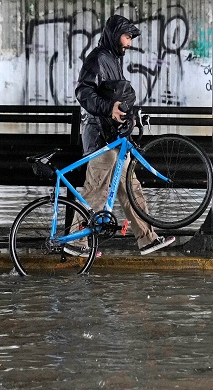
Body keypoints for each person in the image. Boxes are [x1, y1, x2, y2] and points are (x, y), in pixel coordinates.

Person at [71, 14, 175, 255]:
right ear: (114, 34)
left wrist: (129, 112)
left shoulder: (113, 59)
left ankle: (147, 238)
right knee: (97, 189)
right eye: (126, 37)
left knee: (131, 188)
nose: (129, 43)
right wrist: (110, 109)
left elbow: (114, 96)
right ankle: (75, 241)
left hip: (115, 137)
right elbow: (84, 92)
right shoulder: (97, 58)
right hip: (100, 139)